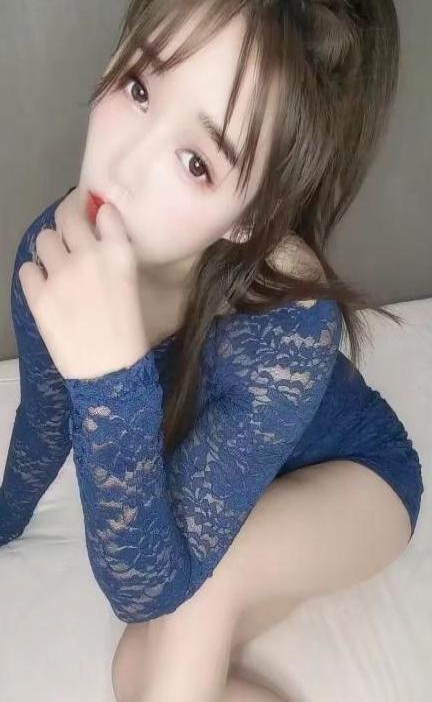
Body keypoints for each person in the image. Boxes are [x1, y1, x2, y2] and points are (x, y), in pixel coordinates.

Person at [0, 2, 424, 701]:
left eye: (196, 162)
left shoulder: (289, 320)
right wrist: (4, 521)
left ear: (252, 216)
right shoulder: (59, 252)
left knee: (203, 593)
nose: (124, 166)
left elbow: (145, 589)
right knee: (135, 674)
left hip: (353, 479)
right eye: (140, 87)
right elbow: (45, 419)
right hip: (230, 493)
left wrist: (110, 381)